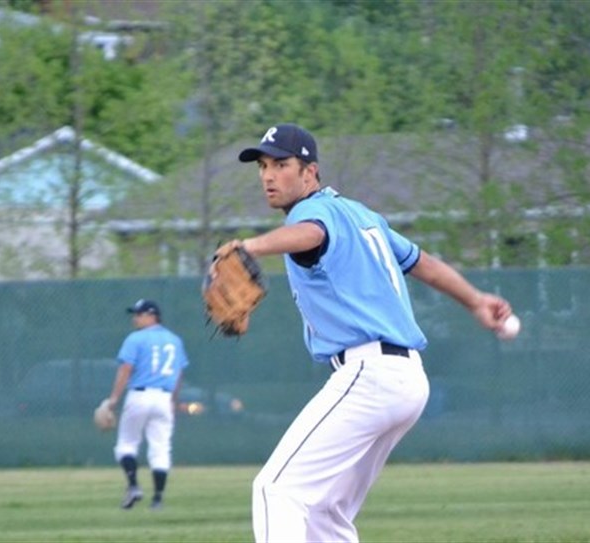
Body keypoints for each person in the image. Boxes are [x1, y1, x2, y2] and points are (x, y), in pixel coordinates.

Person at [219, 123, 514, 542]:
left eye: (281, 164)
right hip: (407, 381)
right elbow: (420, 261)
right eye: (263, 165)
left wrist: (251, 246)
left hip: (368, 375)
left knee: (275, 489)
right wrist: (475, 300)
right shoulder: (361, 215)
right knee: (326, 512)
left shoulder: (311, 213)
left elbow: (311, 234)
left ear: (310, 172)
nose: (268, 175)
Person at [106, 298, 189, 511]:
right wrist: (173, 400)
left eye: (139, 314)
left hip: (139, 396)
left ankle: (133, 486)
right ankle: (158, 499)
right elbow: (179, 373)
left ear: (152, 315)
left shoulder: (135, 339)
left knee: (126, 443)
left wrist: (114, 398)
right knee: (161, 449)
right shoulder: (174, 340)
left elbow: (125, 369)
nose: (135, 318)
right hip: (164, 398)